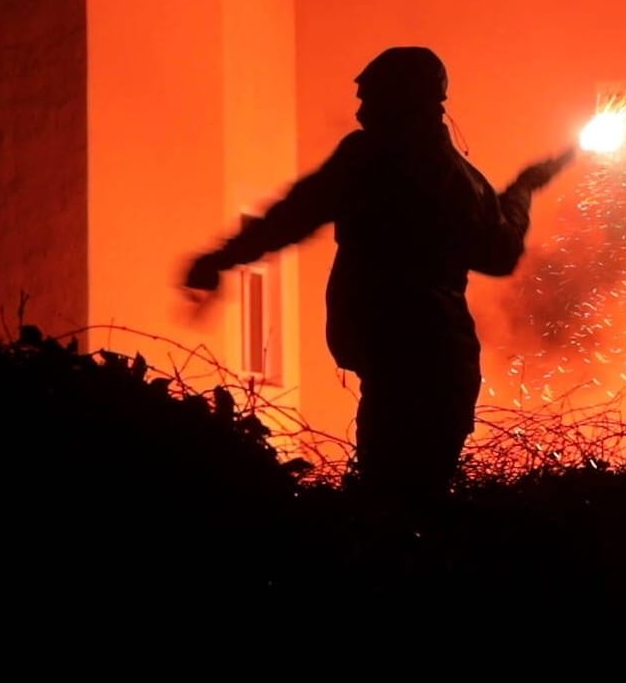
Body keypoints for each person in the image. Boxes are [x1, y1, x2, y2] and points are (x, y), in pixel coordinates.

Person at [182, 46, 573, 504]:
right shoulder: (462, 181)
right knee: (411, 506)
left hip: (406, 366)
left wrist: (220, 259)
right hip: (442, 368)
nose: (361, 110)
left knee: (387, 506)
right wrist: (523, 190)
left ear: (408, 102)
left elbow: (296, 213)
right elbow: (500, 251)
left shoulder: (369, 159)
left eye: (372, 98)